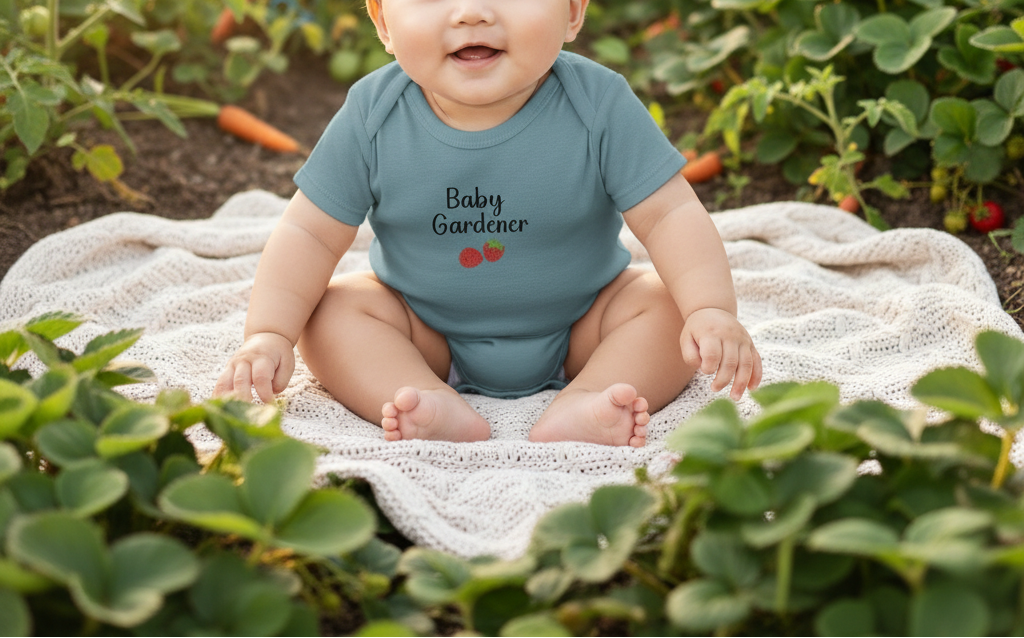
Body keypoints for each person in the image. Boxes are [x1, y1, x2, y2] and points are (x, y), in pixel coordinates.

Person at [213, 0, 762, 447]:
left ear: (572, 11)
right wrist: (269, 332)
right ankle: (422, 399)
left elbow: (670, 213)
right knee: (327, 312)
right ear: (382, 22)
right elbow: (308, 233)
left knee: (667, 306)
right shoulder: (373, 114)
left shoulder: (599, 103)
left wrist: (710, 309)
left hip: (585, 325)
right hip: (425, 330)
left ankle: (589, 399)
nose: (471, 12)